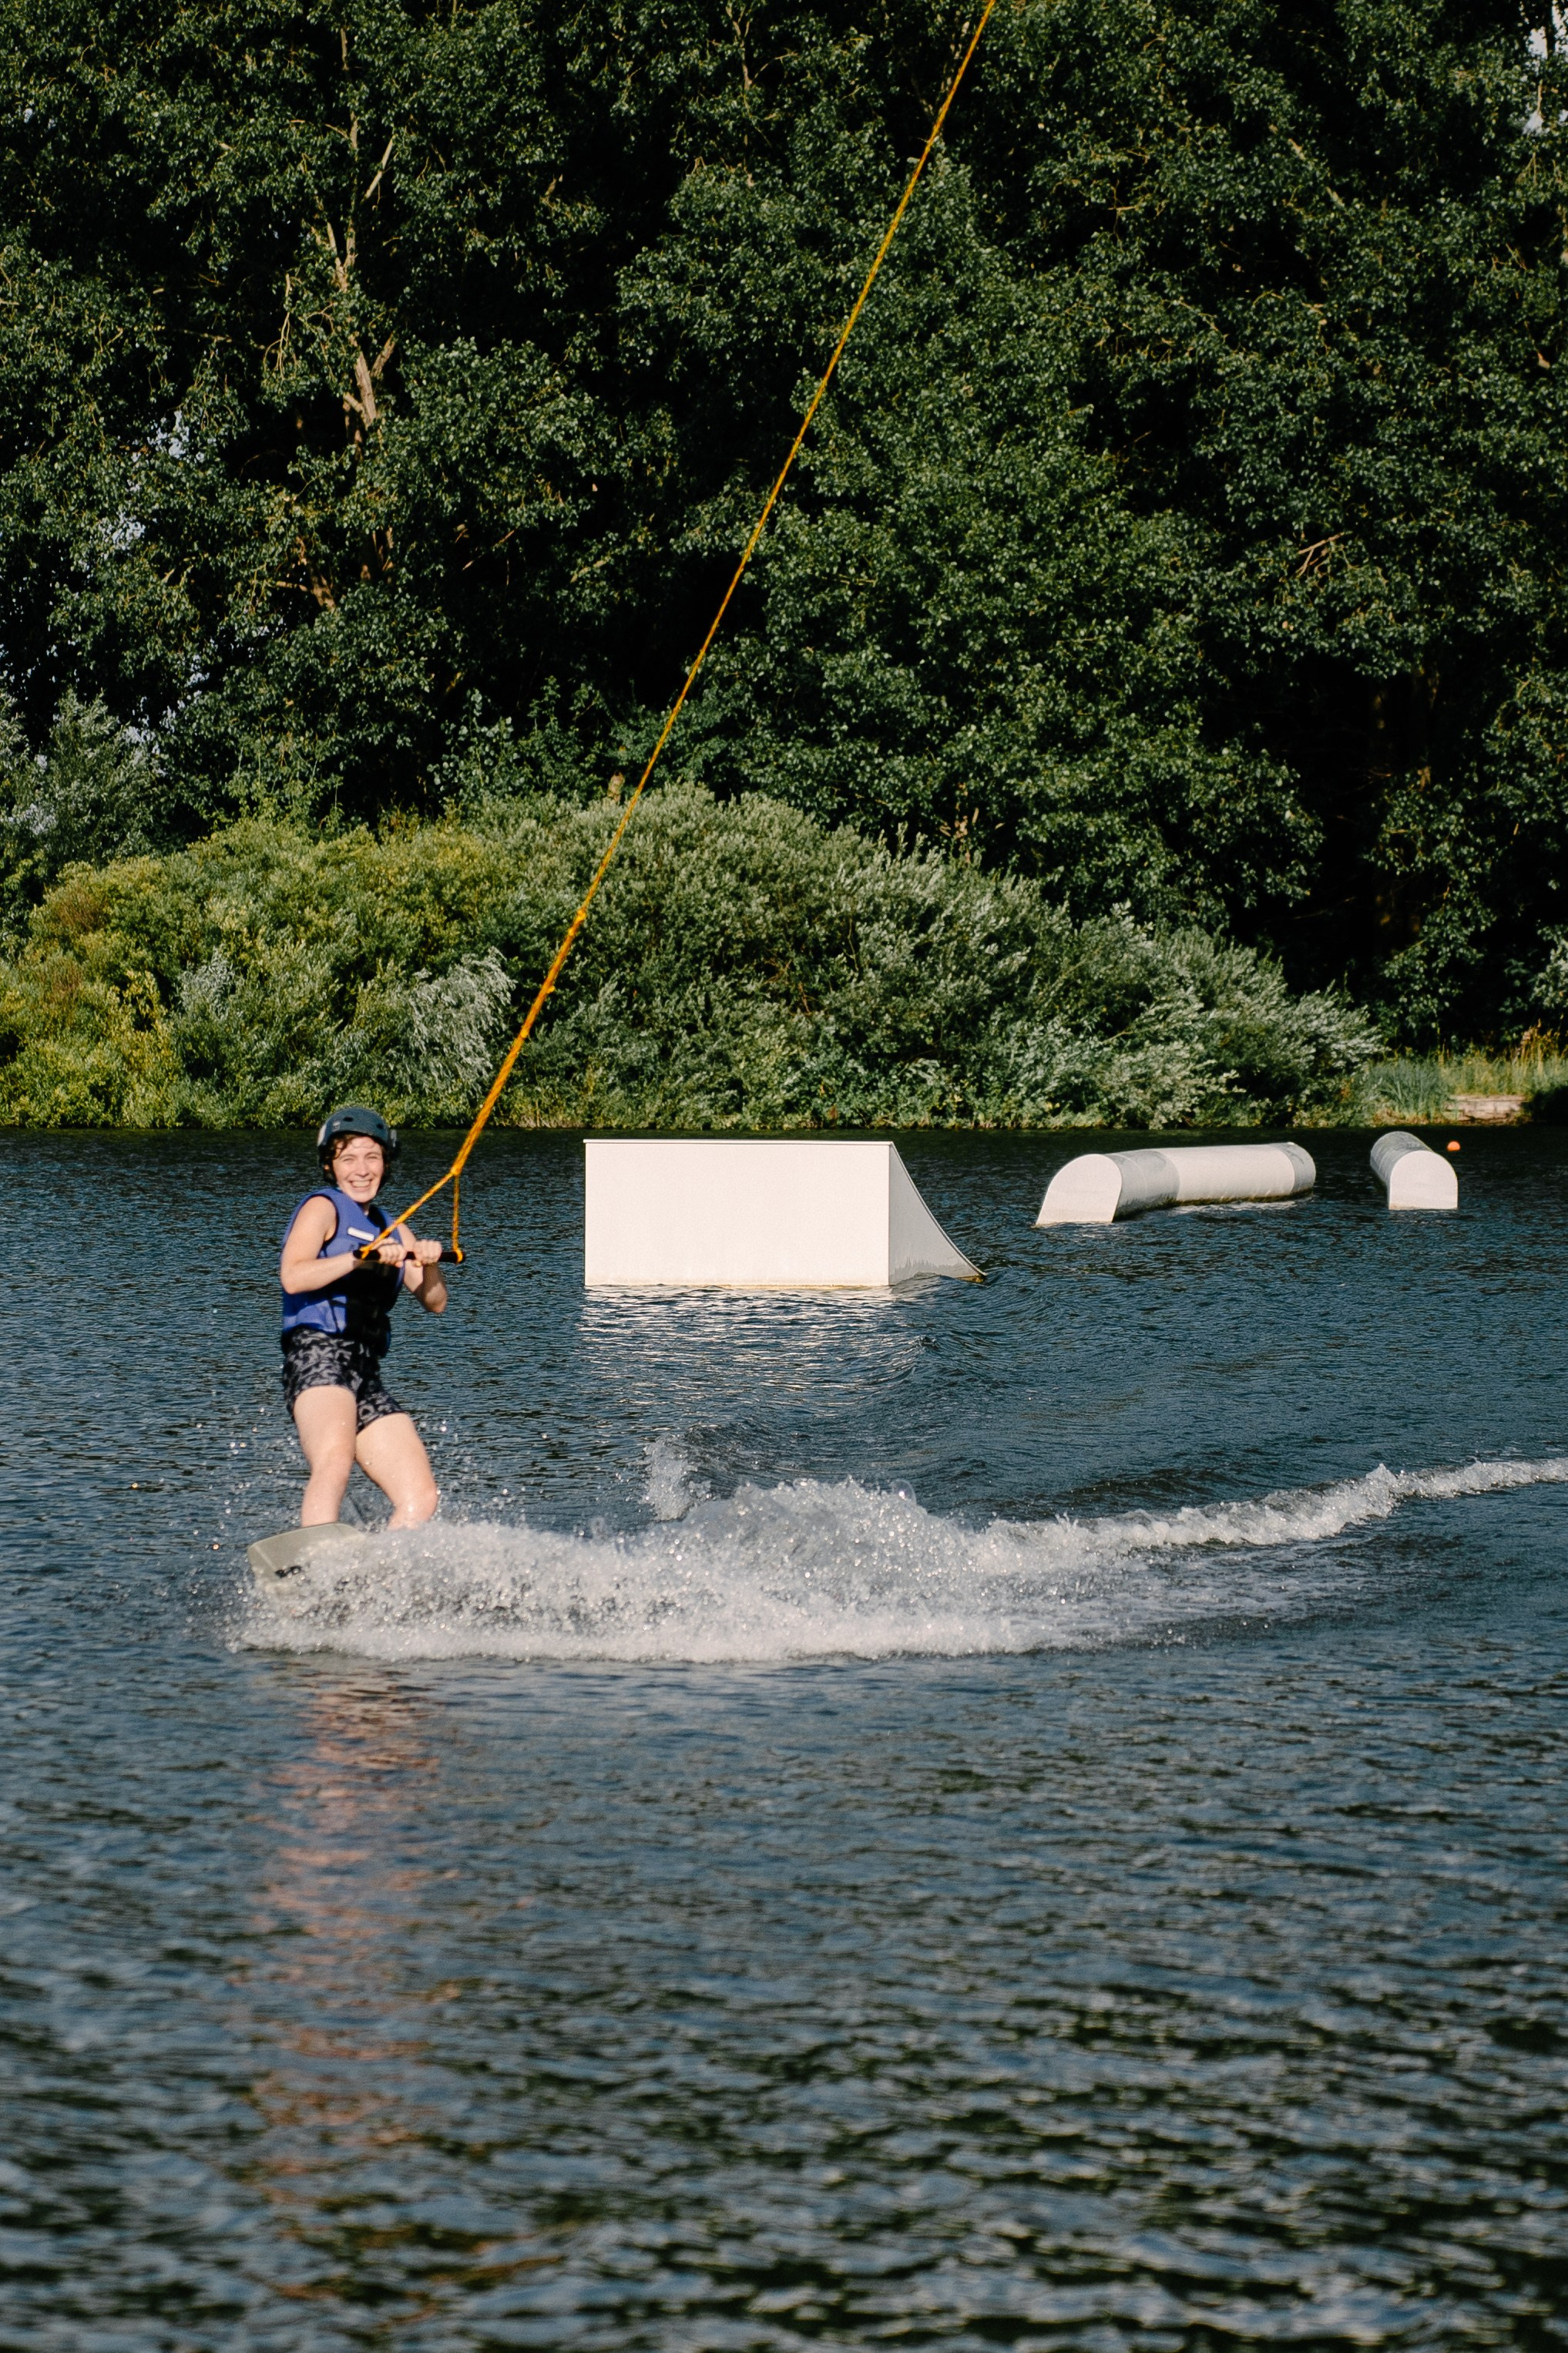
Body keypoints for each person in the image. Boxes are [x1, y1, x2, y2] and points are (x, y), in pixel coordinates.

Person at [278, 1106, 448, 1528]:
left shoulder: (394, 1229)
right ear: (330, 1165)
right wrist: (358, 1258)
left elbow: (436, 1302)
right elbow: (294, 1276)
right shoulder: (323, 1208)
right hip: (317, 1355)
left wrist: (427, 1263)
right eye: (348, 1157)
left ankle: (381, 1580)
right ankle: (313, 1562)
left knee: (420, 1497)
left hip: (365, 1369)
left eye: (372, 1157)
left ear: (385, 1163)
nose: (361, 1169)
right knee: (334, 1459)